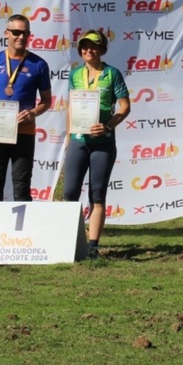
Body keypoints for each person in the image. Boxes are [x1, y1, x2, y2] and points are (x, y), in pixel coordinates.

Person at [62, 30, 130, 259]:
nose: (88, 50)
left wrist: (109, 126)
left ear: (102, 49)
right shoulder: (75, 74)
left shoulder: (112, 74)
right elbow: (71, 105)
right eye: (84, 46)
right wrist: (69, 136)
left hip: (103, 143)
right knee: (70, 192)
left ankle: (92, 247)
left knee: (97, 195)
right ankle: (70, 242)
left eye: (94, 46)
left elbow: (124, 107)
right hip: (78, 141)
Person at [0, 14, 52, 202]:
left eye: (25, 33)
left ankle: (21, 232)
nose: (21, 37)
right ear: (6, 33)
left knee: (22, 188)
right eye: (16, 32)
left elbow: (47, 101)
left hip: (24, 134)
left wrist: (33, 112)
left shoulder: (39, 64)